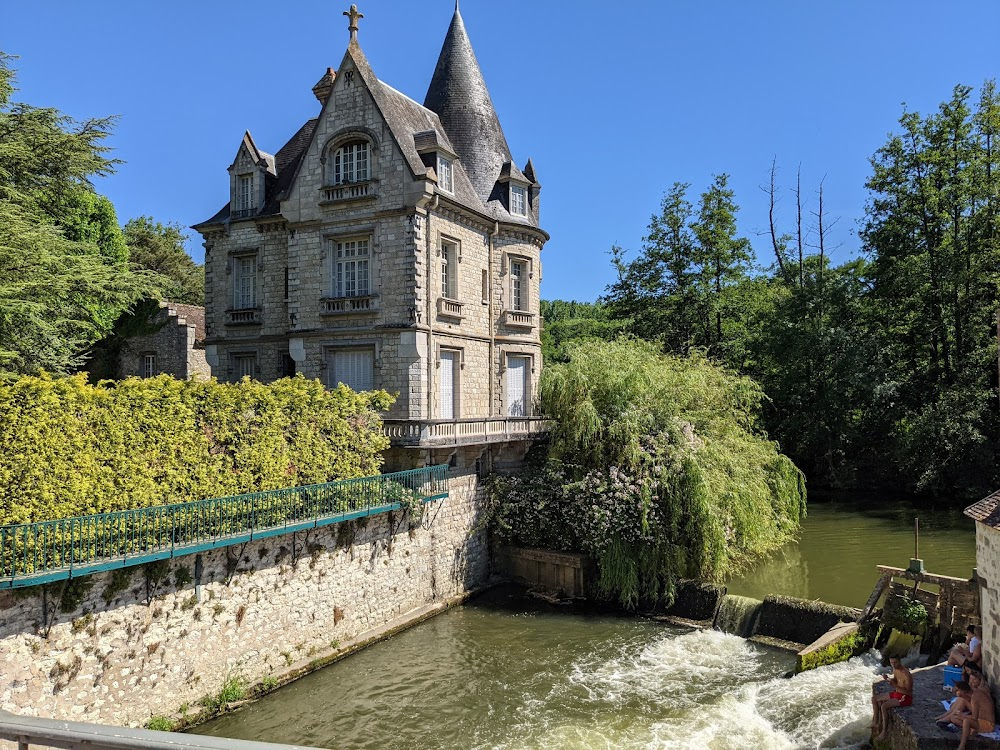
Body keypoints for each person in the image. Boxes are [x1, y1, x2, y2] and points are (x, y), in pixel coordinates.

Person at [872, 656, 913, 742]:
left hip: (905, 697)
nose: (893, 665)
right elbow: (896, 680)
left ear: (900, 661)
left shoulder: (907, 674)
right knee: (874, 698)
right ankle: (876, 723)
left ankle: (884, 732)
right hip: (897, 693)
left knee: (884, 706)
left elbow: (909, 693)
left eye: (895, 662)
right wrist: (888, 679)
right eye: (891, 663)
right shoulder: (895, 669)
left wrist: (895, 685)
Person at [957, 677, 996, 750]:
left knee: (966, 721)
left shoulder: (975, 697)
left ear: (962, 692)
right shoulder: (976, 692)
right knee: (955, 718)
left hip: (989, 724)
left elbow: (974, 717)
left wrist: (962, 715)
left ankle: (962, 746)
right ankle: (971, 731)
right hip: (981, 720)